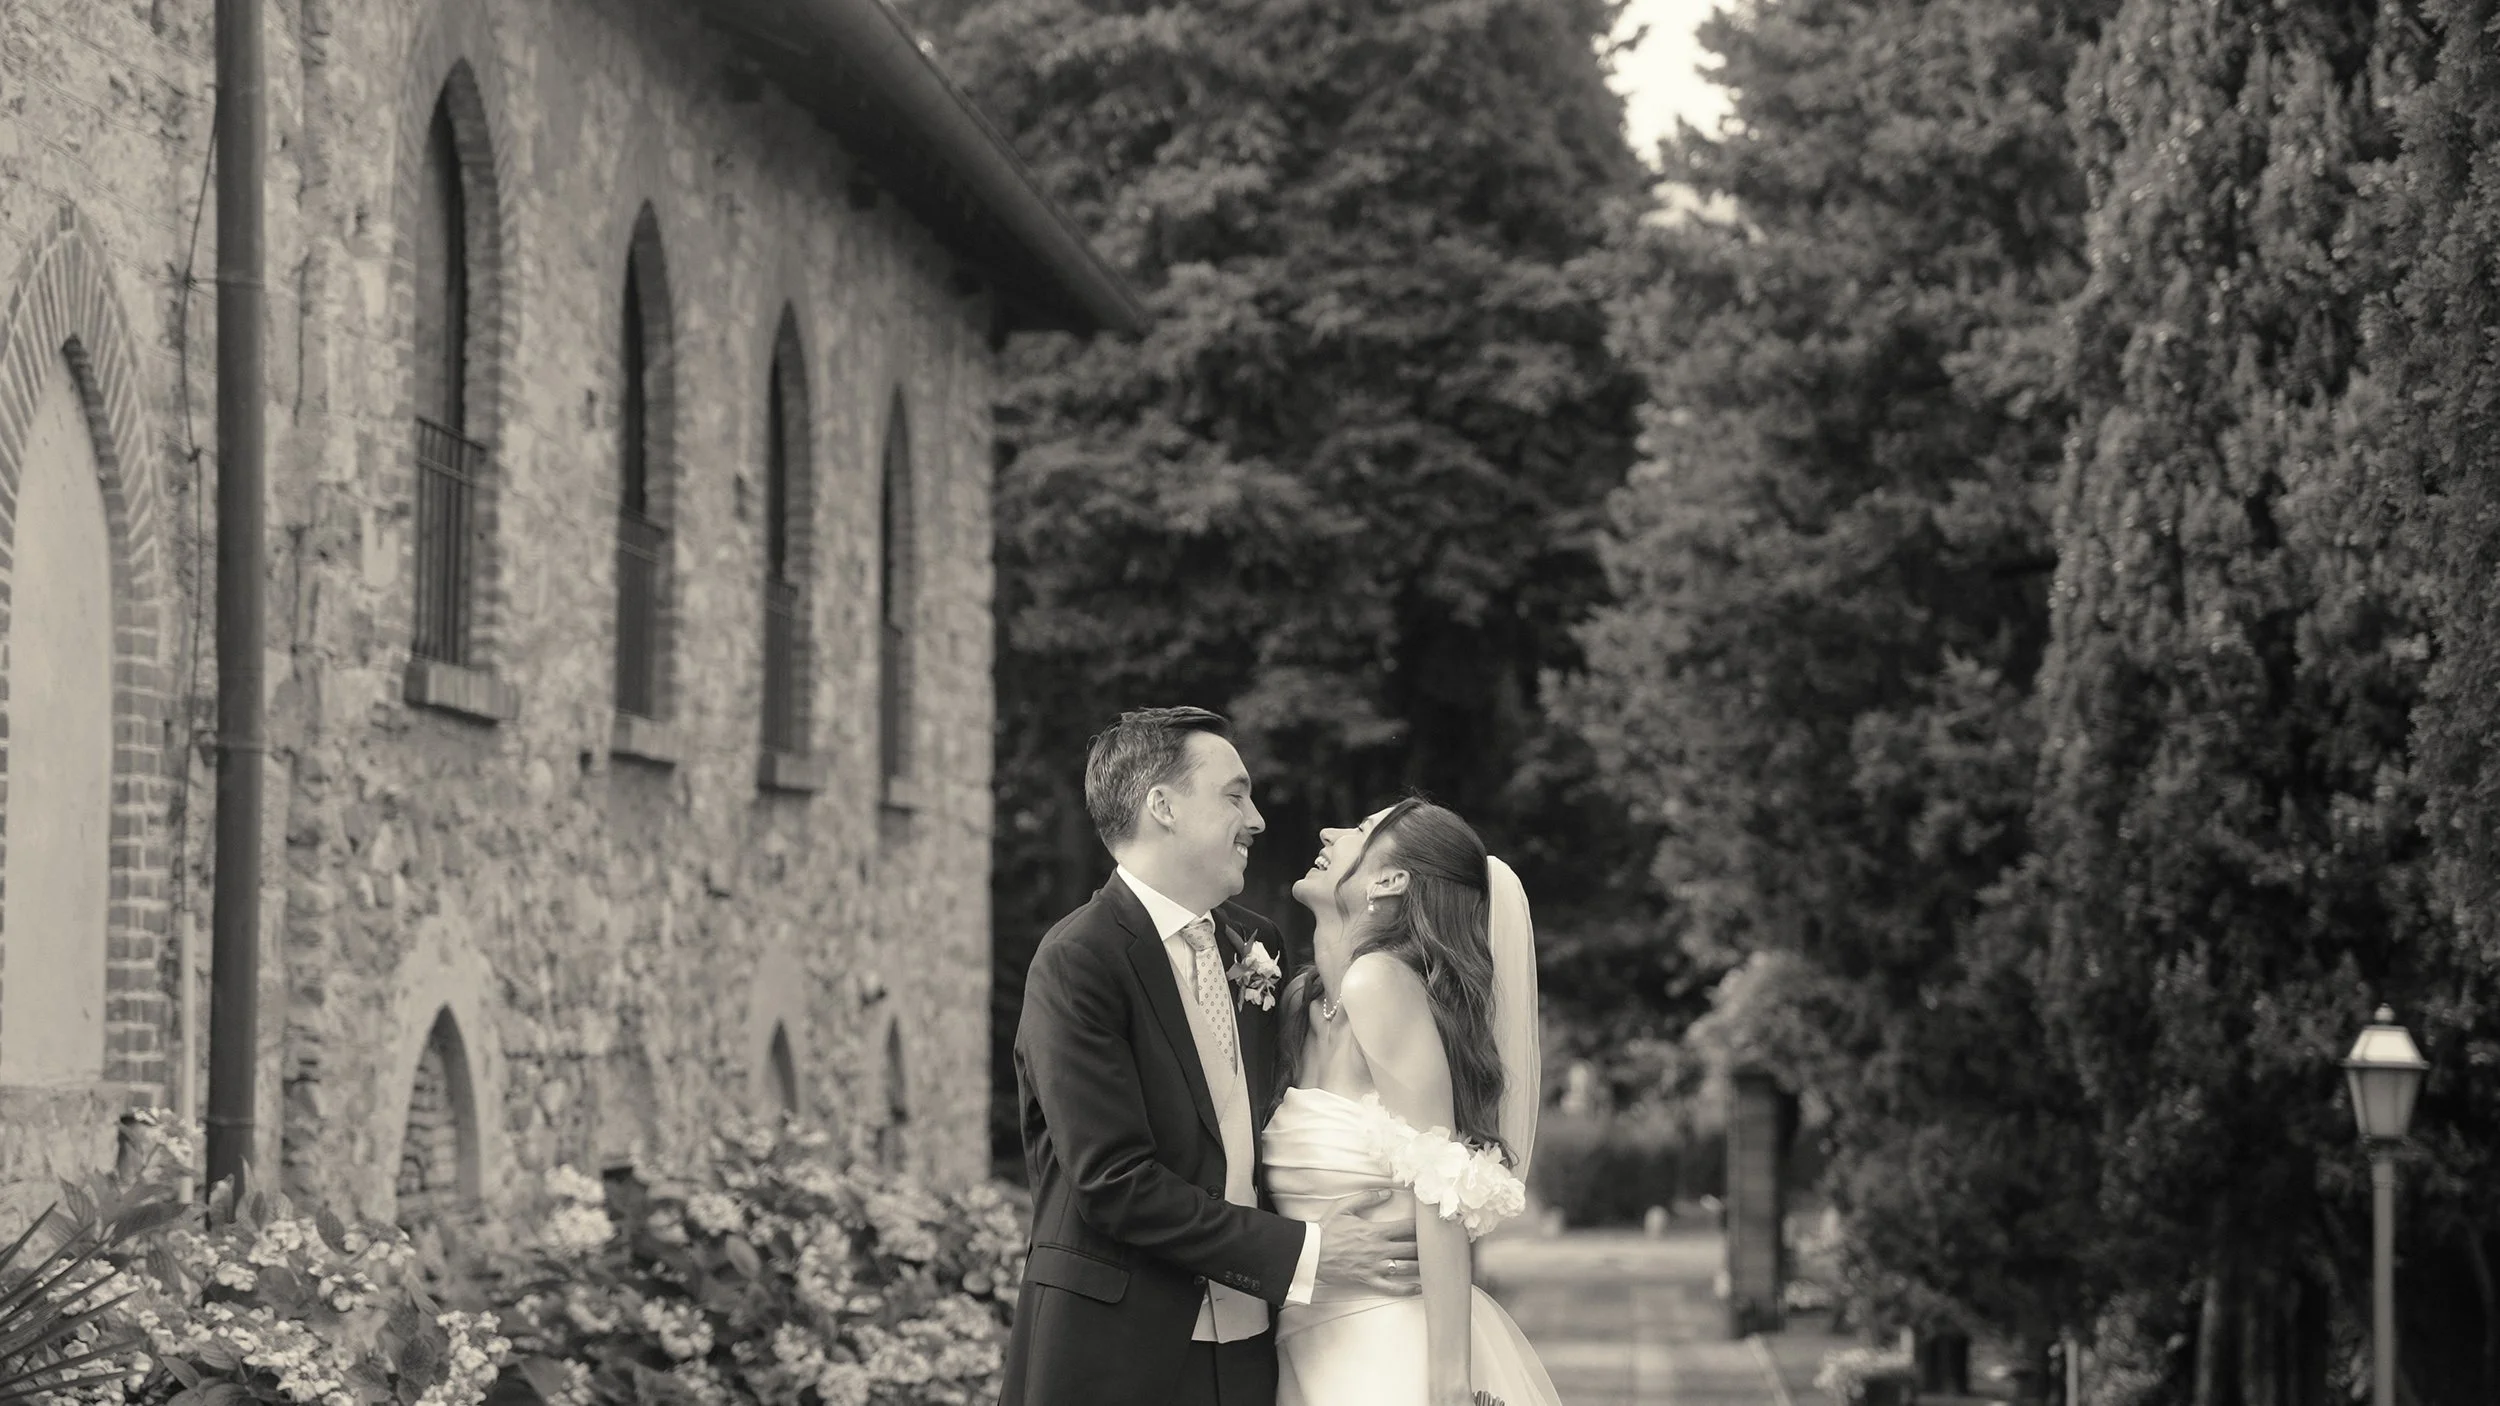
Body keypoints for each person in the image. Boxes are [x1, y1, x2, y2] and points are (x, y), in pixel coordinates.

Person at [1001, 707, 1422, 1406]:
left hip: (1254, 1350)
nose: (1256, 820)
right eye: (1234, 796)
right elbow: (1113, 1181)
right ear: (1162, 807)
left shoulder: (1256, 947)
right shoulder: (1078, 961)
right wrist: (1307, 1251)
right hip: (1117, 1353)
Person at [1262, 798, 1560, 1406]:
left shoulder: (1379, 983)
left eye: (1361, 829)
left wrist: (1449, 1384)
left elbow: (1440, 1183)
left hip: (1388, 1347)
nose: (1328, 831)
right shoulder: (1301, 1004)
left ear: (1390, 881)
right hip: (1301, 1347)